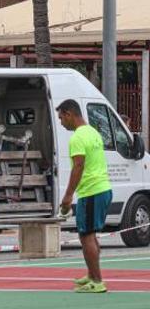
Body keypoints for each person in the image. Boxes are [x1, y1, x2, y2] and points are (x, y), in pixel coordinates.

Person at [56, 99, 112, 293]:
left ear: (69, 114)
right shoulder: (93, 132)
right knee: (88, 234)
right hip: (103, 188)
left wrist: (68, 196)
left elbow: (78, 166)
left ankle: (97, 281)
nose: (61, 122)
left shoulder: (77, 138)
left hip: (91, 191)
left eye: (61, 117)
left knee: (86, 235)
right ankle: (91, 274)